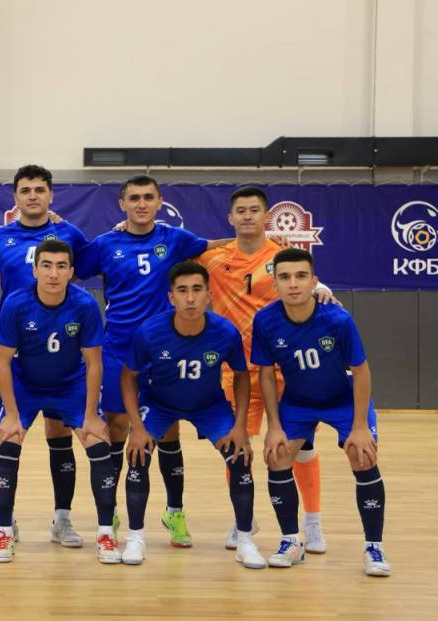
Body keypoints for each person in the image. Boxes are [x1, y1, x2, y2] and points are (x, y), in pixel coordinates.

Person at [77, 174, 233, 553]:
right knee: (117, 427)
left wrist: (271, 242)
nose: (141, 204)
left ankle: (174, 512)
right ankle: (111, 512)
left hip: (163, 351)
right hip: (117, 349)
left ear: (160, 201)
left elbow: (218, 247)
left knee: (167, 430)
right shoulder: (106, 244)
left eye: (148, 197)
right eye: (134, 198)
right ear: (122, 205)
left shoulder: (175, 239)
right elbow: (69, 266)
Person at [198, 186, 336, 552]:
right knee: (235, 448)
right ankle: (242, 518)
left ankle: (313, 522)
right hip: (236, 372)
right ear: (230, 218)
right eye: (241, 210)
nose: (247, 216)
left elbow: (306, 280)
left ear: (266, 216)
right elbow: (164, 251)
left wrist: (321, 286)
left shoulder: (282, 256)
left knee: (300, 448)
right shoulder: (212, 258)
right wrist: (122, 226)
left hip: (283, 372)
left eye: (254, 210)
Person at [252, 248, 390, 577]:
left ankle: (374, 547)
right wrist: (274, 425)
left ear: (314, 281)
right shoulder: (266, 320)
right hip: (298, 402)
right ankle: (291, 542)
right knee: (277, 455)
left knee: (362, 455)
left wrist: (359, 426)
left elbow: (361, 371)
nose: (293, 284)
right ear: (275, 283)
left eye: (301, 276)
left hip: (343, 400)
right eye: (285, 277)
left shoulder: (337, 319)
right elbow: (266, 374)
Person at [121, 262, 266, 569]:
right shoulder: (150, 332)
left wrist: (240, 425)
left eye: (197, 290)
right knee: (137, 454)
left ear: (209, 295)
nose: (190, 298)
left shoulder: (225, 332)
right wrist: (136, 427)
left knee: (240, 457)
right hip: (159, 403)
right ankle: (136, 538)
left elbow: (242, 376)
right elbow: (128, 377)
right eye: (182, 291)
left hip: (209, 406)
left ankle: (245, 541)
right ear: (171, 297)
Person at [0, 164, 91, 548]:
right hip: (17, 353)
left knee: (60, 434)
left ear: (51, 195)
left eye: (40, 189)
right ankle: (5, 523)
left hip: (61, 351)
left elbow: (91, 266)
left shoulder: (69, 233)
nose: (33, 196)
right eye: (25, 190)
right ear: (15, 197)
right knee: (10, 433)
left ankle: (62, 521)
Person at [0, 239, 110, 563]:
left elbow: (94, 363)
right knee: (10, 438)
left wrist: (91, 415)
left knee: (96, 442)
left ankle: (88, 529)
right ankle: (4, 528)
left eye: (60, 267)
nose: (53, 274)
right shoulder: (16, 303)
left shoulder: (84, 304)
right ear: (35, 270)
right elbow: (1, 361)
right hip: (25, 384)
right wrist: (11, 414)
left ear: (71, 271)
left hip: (69, 384)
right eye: (46, 266)